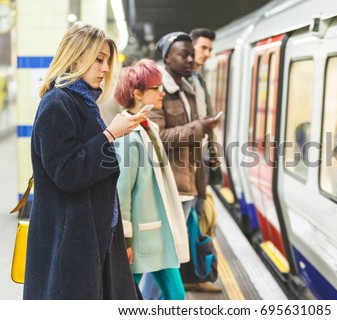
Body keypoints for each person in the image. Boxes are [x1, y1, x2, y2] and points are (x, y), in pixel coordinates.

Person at [24, 22, 148, 299]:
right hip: (72, 241)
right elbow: (67, 173)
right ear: (76, 57)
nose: (105, 69)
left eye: (107, 61)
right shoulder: (57, 104)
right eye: (98, 59)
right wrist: (110, 134)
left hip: (94, 234)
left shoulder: (82, 103)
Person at [150, 32, 221, 293]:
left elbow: (194, 144)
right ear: (167, 57)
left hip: (188, 187)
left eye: (192, 54)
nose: (191, 59)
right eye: (184, 54)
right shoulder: (160, 92)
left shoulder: (186, 90)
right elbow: (157, 137)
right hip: (171, 189)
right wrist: (199, 127)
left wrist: (202, 190)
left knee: (170, 259)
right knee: (163, 261)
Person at [114, 59, 190, 300]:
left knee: (175, 295)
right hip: (140, 237)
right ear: (137, 93)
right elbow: (121, 191)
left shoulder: (149, 128)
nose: (163, 92)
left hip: (158, 232)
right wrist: (124, 240)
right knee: (127, 297)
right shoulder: (128, 137)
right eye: (156, 88)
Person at [189, 28, 222, 214]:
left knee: (198, 211)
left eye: (210, 50)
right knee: (193, 213)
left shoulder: (198, 79)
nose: (207, 54)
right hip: (189, 158)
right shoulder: (181, 80)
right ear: (190, 47)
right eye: (203, 48)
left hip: (203, 153)